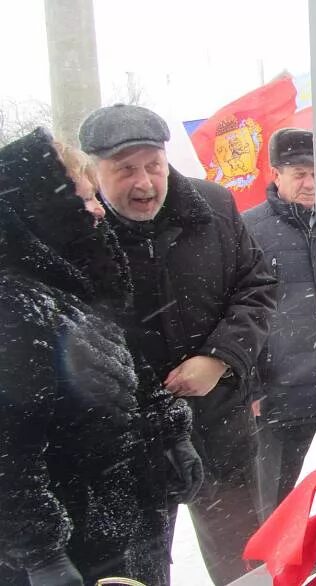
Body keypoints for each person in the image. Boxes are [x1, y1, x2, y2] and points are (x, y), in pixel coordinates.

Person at [79, 104, 278, 585]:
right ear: (92, 170)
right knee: (134, 572)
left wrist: (219, 357)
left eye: (154, 165)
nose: (144, 182)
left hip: (217, 418)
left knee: (242, 561)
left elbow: (258, 286)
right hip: (128, 440)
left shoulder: (212, 207)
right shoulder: (78, 231)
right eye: (125, 170)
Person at [0, 128, 202, 586]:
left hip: (118, 529)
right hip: (72, 545)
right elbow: (9, 451)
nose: (95, 210)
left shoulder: (74, 288)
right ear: (35, 207)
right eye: (81, 198)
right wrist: (41, 553)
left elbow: (130, 367)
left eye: (94, 197)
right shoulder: (16, 304)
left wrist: (171, 432)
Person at [243, 128, 316, 520]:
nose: (309, 183)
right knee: (270, 510)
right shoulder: (248, 230)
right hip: (278, 396)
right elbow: (236, 311)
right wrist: (252, 386)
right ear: (276, 174)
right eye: (299, 173)